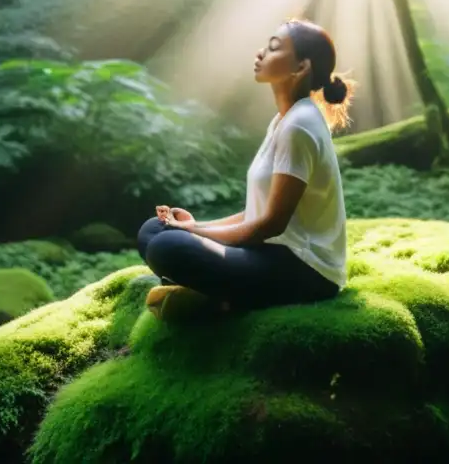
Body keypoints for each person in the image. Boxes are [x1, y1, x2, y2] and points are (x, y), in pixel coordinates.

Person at [136, 18, 354, 322]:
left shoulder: (299, 125)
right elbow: (256, 212)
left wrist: (194, 233)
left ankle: (219, 302)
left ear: (301, 68)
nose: (260, 52)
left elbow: (269, 224)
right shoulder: (284, 120)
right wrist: (198, 226)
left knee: (166, 246)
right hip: (271, 253)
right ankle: (214, 295)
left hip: (306, 271)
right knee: (153, 230)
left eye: (274, 47)